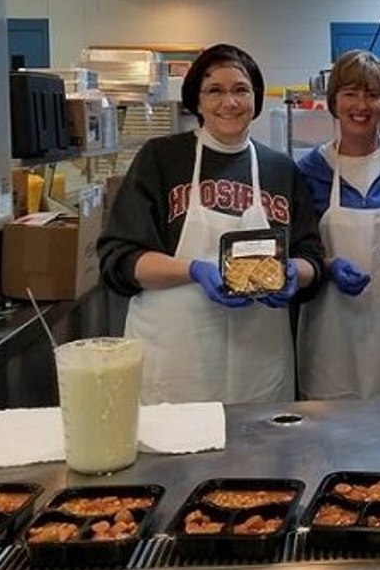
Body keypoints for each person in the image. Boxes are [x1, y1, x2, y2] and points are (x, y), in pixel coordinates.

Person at [98, 43, 324, 405]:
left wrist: (294, 273)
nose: (229, 102)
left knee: (257, 456)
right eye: (214, 90)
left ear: (256, 98)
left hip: (259, 365)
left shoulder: (280, 170)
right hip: (177, 364)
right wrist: (195, 270)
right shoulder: (161, 158)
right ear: (196, 101)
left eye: (240, 90)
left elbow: (310, 255)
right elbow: (120, 259)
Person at [295, 50, 380, 400]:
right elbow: (297, 254)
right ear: (333, 101)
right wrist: (327, 266)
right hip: (332, 336)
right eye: (350, 93)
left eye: (373, 94)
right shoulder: (309, 172)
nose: (361, 105)